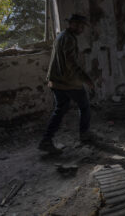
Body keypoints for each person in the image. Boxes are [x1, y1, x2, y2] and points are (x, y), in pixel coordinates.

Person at [38, 14, 95, 154]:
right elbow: (71, 64)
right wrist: (87, 79)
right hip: (67, 81)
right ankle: (85, 134)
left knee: (60, 109)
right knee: (85, 106)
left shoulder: (61, 35)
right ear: (72, 24)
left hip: (55, 80)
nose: (82, 29)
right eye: (80, 26)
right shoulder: (69, 39)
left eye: (83, 26)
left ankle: (46, 140)